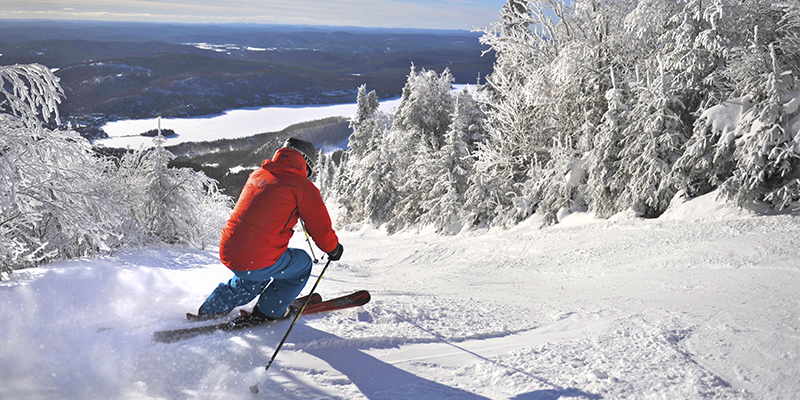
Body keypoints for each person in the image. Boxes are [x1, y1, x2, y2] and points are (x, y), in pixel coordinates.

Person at [195, 137, 343, 322]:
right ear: (306, 163)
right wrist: (334, 249)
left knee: (253, 275)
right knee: (302, 264)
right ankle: (269, 311)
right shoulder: (302, 186)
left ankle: (211, 309)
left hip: (229, 249)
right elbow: (321, 229)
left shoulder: (258, 174)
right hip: (258, 258)